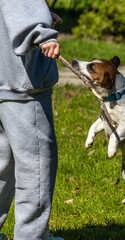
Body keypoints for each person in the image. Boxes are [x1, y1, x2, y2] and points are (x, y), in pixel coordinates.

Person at [0, 0, 63, 239]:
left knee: (0, 165)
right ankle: (31, 236)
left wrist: (42, 15)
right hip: (22, 86)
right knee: (36, 166)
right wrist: (39, 30)